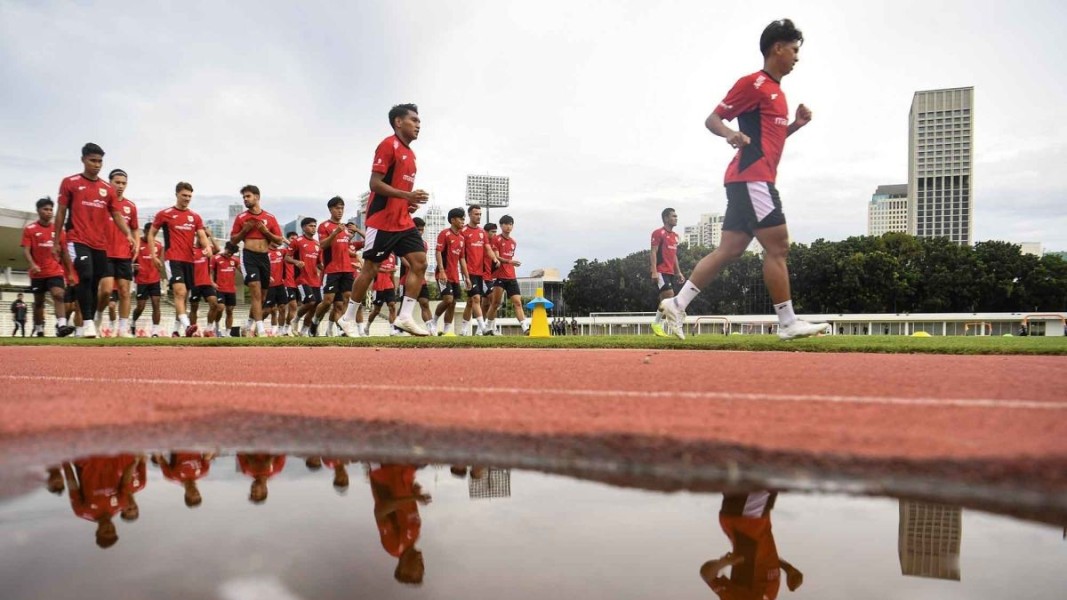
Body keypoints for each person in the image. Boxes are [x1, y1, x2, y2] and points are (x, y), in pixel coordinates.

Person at [658, 19, 827, 341]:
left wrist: (796, 126)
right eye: (794, 50)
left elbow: (771, 141)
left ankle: (677, 304)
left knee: (729, 250)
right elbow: (713, 118)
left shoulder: (779, 93)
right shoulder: (754, 84)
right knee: (778, 246)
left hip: (748, 178)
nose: (797, 58)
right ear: (777, 48)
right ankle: (788, 321)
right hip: (753, 178)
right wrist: (730, 133)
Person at [349, 103, 432, 336]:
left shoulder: (411, 155)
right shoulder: (388, 145)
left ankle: (405, 317)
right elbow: (374, 184)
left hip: (403, 220)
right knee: (370, 268)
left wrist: (408, 203)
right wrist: (406, 195)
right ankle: (347, 318)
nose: (418, 125)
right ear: (398, 122)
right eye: (414, 120)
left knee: (420, 263)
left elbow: (397, 190)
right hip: (381, 219)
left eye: (419, 121)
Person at [52, 143, 136, 339]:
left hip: (100, 243)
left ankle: (83, 325)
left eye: (100, 161)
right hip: (77, 238)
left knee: (94, 282)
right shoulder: (70, 182)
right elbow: (61, 212)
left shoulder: (107, 189)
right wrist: (56, 241)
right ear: (83, 160)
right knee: (86, 274)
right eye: (93, 160)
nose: (97, 165)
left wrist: (128, 234)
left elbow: (116, 214)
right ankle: (88, 324)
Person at [699, 491, 803, 598]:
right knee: (764, 479)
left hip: (746, 520)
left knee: (764, 479)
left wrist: (724, 562)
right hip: (754, 519)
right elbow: (764, 559)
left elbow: (706, 574)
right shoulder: (770, 596)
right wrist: (788, 568)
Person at [148, 182, 213, 337]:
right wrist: (153, 255)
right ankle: (188, 326)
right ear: (176, 194)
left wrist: (207, 247)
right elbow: (151, 234)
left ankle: (176, 330)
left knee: (184, 296)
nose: (187, 198)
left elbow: (202, 235)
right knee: (180, 292)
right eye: (184, 195)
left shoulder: (195, 217)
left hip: (189, 260)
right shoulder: (165, 214)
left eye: (190, 196)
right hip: (173, 258)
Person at [231, 184, 284, 337]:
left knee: (263, 295)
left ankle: (248, 324)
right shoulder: (241, 218)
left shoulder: (270, 217)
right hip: (249, 256)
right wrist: (244, 230)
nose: (245, 200)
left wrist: (265, 231)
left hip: (264, 257)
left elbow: (279, 240)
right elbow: (233, 240)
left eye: (248, 196)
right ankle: (260, 330)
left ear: (257, 197)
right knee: (255, 291)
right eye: (244, 197)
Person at [369, 464, 431, 585]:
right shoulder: (415, 535)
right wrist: (414, 491)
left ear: (403, 568)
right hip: (404, 471)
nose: (422, 564)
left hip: (383, 471)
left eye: (417, 568)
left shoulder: (393, 546)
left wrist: (413, 497)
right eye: (422, 568)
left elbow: (380, 511)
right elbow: (407, 503)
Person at [21, 197, 75, 337]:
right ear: (38, 211)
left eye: (51, 209)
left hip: (55, 271)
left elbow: (64, 252)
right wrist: (32, 264)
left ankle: (62, 325)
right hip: (37, 273)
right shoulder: (30, 229)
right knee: (39, 302)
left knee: (58, 294)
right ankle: (39, 328)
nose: (49, 212)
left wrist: (70, 272)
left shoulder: (59, 231)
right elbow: (26, 250)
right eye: (45, 209)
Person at [97, 168, 140, 338]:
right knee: (106, 291)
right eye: (117, 182)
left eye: (123, 183)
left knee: (124, 291)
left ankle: (122, 329)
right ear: (110, 183)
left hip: (124, 254)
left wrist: (135, 244)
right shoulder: (102, 204)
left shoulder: (131, 206)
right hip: (105, 253)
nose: (120, 186)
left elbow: (135, 229)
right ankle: (98, 317)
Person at [311, 196, 359, 337]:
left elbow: (345, 248)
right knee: (327, 302)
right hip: (332, 269)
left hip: (346, 269)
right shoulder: (324, 226)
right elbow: (323, 245)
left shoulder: (345, 228)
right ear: (330, 209)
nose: (340, 211)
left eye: (342, 208)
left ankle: (343, 329)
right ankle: (314, 322)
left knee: (345, 300)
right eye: (337, 208)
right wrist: (335, 233)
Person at [487, 215, 529, 334]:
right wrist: (510, 261)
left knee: (517, 302)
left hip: (511, 276)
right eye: (506, 224)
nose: (508, 226)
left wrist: (510, 263)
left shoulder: (513, 242)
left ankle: (525, 328)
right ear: (501, 226)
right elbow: (496, 256)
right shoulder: (496, 239)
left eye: (510, 224)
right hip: (499, 276)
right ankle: (487, 327)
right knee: (495, 303)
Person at [459, 205, 495, 335]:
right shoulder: (463, 231)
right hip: (468, 271)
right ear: (469, 215)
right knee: (476, 298)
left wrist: (495, 259)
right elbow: (461, 254)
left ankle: (463, 330)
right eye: (476, 214)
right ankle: (483, 328)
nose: (478, 216)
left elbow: (488, 248)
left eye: (480, 214)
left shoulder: (482, 233)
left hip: (480, 272)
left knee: (470, 302)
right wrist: (465, 273)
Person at [431, 208, 467, 336]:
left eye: (464, 218)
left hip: (455, 276)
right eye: (461, 218)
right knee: (448, 299)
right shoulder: (445, 234)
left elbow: (462, 258)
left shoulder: (462, 238)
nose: (463, 221)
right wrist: (441, 270)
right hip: (443, 273)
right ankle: (433, 322)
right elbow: (438, 251)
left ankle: (446, 332)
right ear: (453, 220)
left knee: (453, 303)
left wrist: (466, 277)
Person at [650, 208, 684, 337]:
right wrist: (654, 271)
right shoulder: (658, 233)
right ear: (665, 218)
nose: (676, 218)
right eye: (673, 216)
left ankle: (658, 327)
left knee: (664, 301)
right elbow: (653, 252)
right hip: (660, 271)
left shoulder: (675, 237)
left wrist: (678, 272)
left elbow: (674, 255)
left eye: (676, 216)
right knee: (670, 296)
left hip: (670, 272)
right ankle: (657, 324)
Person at [289, 217, 323, 336]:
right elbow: (287, 257)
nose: (313, 228)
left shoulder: (317, 244)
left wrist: (326, 269)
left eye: (315, 226)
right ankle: (296, 319)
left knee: (316, 306)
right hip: (302, 278)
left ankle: (304, 331)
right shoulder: (297, 241)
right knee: (310, 302)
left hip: (315, 279)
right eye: (311, 226)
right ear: (303, 227)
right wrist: (296, 262)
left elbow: (319, 263)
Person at [401, 217, 435, 335]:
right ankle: (397, 329)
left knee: (424, 302)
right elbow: (403, 259)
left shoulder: (424, 244)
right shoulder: (405, 242)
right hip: (406, 279)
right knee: (403, 306)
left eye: (422, 230)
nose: (420, 232)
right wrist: (414, 266)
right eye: (418, 229)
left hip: (421, 279)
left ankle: (431, 329)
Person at [131, 223, 164, 337]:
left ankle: (155, 331)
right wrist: (134, 267)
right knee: (141, 306)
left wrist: (160, 270)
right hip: (141, 280)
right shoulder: (137, 243)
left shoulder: (159, 246)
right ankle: (133, 321)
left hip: (154, 279)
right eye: (148, 232)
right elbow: (131, 260)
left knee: (156, 303)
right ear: (144, 231)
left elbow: (160, 263)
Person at [189, 239, 220, 337]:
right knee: (194, 307)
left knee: (214, 304)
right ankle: (193, 330)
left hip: (206, 283)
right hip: (194, 283)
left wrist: (210, 236)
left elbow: (218, 249)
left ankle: (208, 329)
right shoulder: (191, 249)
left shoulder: (207, 249)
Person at [211, 242, 241, 337]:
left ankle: (228, 333)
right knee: (220, 308)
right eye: (229, 251)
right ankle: (217, 327)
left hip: (231, 289)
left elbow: (242, 270)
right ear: (225, 248)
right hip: (220, 288)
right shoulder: (215, 258)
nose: (229, 254)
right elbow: (210, 272)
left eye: (232, 253)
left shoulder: (235, 260)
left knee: (230, 310)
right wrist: (212, 282)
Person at [367, 252, 399, 335]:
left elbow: (392, 273)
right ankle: (367, 327)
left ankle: (392, 329)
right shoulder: (378, 254)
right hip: (378, 286)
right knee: (376, 310)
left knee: (392, 306)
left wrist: (394, 285)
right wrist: (388, 270)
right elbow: (374, 268)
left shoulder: (392, 256)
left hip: (389, 286)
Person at [282, 231, 302, 337]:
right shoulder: (285, 252)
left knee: (296, 307)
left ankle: (287, 328)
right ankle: (290, 329)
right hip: (289, 283)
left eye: (296, 239)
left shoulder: (300, 253)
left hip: (300, 282)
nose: (294, 241)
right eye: (292, 239)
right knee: (293, 306)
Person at [481, 222, 499, 332]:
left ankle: (483, 328)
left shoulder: (494, 243)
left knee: (486, 303)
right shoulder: (482, 243)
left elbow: (496, 257)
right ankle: (491, 327)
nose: (494, 234)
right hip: (482, 277)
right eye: (492, 232)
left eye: (496, 232)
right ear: (486, 232)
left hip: (489, 276)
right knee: (493, 299)